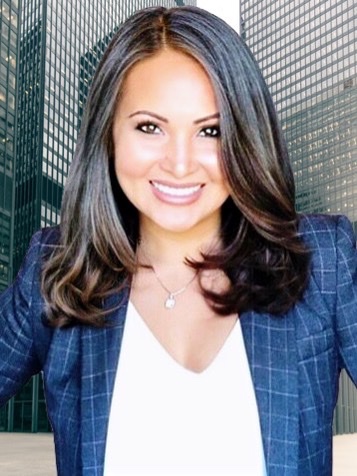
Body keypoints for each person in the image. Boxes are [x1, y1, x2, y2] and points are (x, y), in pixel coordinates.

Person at [1, 5, 357, 475]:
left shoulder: (323, 259)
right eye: (150, 127)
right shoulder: (55, 267)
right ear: (109, 133)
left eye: (211, 131)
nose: (181, 163)